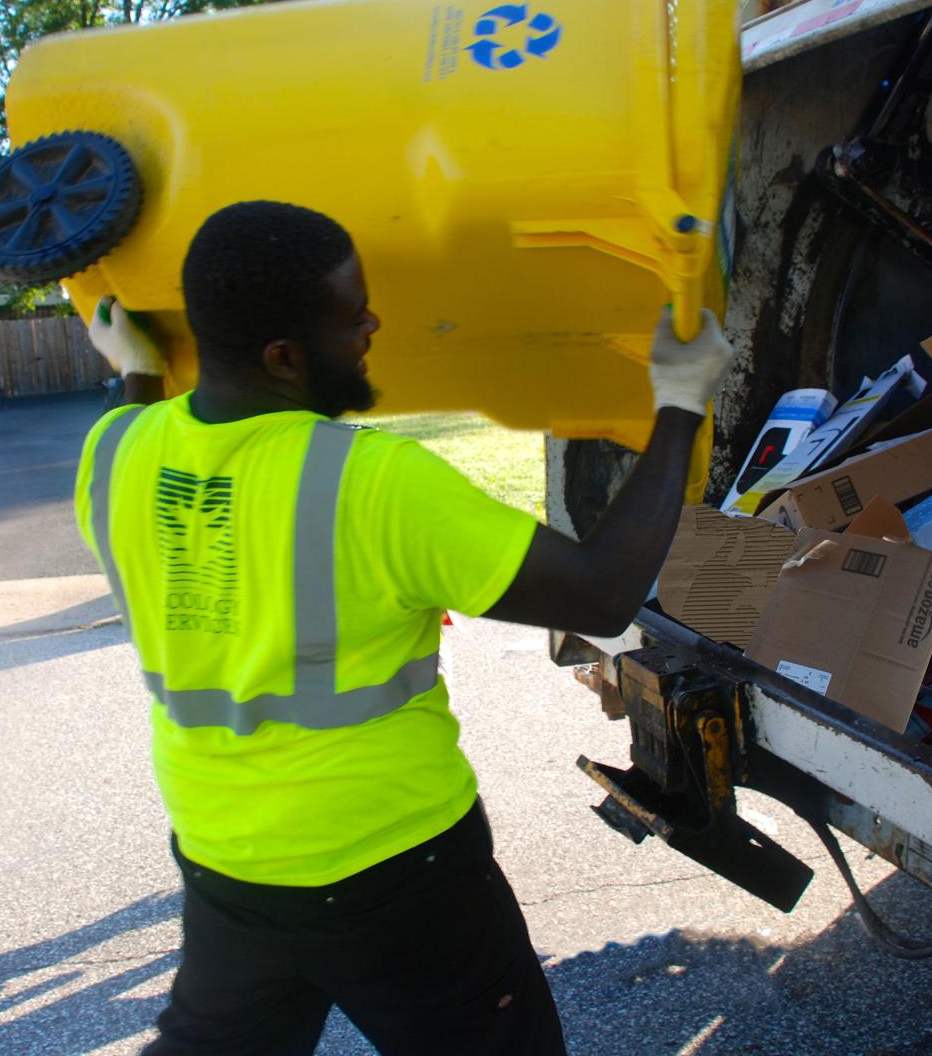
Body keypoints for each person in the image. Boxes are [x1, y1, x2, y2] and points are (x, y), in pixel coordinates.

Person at [75, 200, 733, 1056]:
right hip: (396, 871)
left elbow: (143, 414)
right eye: (353, 318)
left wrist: (136, 368)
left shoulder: (115, 449)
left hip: (225, 861)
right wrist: (679, 401)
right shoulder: (372, 482)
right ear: (283, 356)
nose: (373, 326)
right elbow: (603, 595)